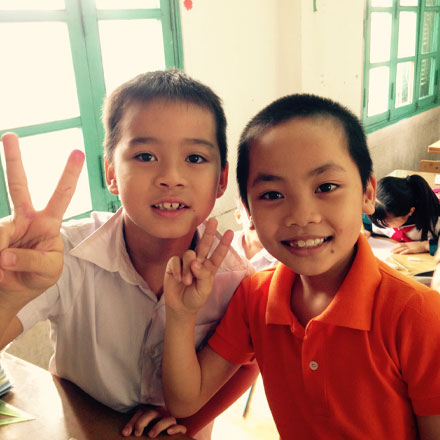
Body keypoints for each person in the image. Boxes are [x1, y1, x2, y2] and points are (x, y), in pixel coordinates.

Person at [161, 94, 440, 439]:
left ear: (368, 193)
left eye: (326, 187)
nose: (301, 216)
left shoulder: (418, 314)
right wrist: (180, 314)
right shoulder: (255, 297)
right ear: (247, 211)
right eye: (272, 195)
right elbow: (185, 401)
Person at [0, 70, 258, 439]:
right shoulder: (67, 256)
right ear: (111, 173)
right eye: (146, 155)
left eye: (195, 158)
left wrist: (191, 423)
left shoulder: (237, 279)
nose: (171, 176)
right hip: (79, 428)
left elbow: (247, 364)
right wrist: (8, 296)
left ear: (221, 180)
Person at [362, 174, 440, 255]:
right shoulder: (376, 214)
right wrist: (367, 230)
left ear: (410, 212)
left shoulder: (434, 219)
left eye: (387, 222)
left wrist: (425, 245)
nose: (380, 223)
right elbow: (365, 221)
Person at [231, 197, 277, 271]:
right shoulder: (228, 244)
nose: (259, 220)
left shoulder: (280, 259)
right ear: (239, 217)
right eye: (251, 212)